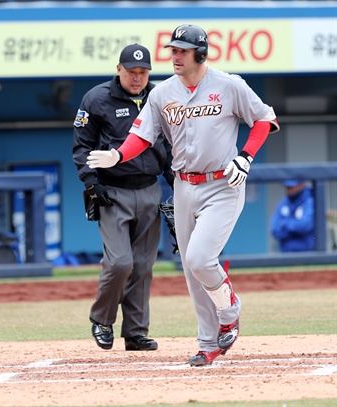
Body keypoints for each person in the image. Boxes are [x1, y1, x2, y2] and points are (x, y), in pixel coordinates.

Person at [86, 24, 279, 366]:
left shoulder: (229, 85)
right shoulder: (162, 93)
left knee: (200, 258)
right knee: (191, 270)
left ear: (200, 53)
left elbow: (264, 119)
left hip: (223, 184)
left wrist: (246, 157)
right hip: (183, 186)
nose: (174, 56)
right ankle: (208, 342)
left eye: (182, 50)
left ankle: (229, 310)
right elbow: (142, 135)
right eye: (172, 49)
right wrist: (117, 155)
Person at [73, 43, 173, 352]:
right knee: (119, 263)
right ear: (119, 69)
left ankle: (135, 333)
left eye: (143, 73)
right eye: (132, 72)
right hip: (112, 190)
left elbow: (171, 148)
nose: (138, 78)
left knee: (143, 266)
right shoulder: (97, 98)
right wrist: (90, 183)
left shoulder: (160, 97)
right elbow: (82, 146)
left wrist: (177, 188)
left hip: (150, 188)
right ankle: (102, 319)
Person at [270, 179, 315, 252]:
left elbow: (305, 226)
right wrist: (295, 228)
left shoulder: (310, 201)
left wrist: (284, 224)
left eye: (291, 187)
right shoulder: (283, 203)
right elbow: (275, 229)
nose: (289, 190)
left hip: (307, 253)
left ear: (301, 185)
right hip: (286, 254)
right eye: (287, 187)